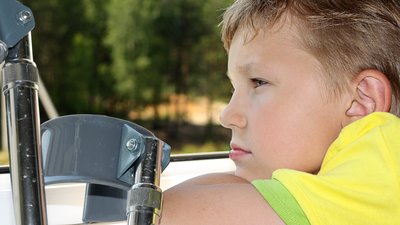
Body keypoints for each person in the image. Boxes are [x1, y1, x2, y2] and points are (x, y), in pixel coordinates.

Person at [160, 0, 400, 224]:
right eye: (233, 89)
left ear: (361, 100)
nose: (227, 116)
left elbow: (171, 214)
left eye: (258, 82)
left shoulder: (386, 167)